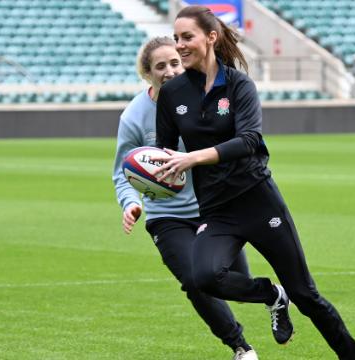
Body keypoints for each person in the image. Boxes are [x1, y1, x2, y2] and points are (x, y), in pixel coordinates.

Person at [152, 6, 355, 359]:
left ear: (211, 37)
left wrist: (192, 158)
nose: (180, 45)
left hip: (258, 200)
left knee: (306, 296)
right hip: (217, 209)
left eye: (187, 37)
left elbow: (249, 140)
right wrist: (157, 170)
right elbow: (165, 148)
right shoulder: (173, 93)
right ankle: (271, 295)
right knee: (203, 277)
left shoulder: (238, 85)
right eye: (176, 38)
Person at [112, 36, 259, 360]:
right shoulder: (134, 117)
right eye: (159, 66)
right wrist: (131, 203)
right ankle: (241, 347)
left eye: (174, 63)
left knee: (237, 284)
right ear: (147, 73)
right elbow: (121, 173)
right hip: (168, 217)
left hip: (216, 208)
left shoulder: (209, 100)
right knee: (196, 281)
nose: (168, 70)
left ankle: (273, 295)